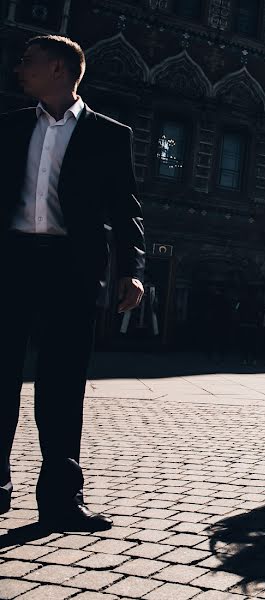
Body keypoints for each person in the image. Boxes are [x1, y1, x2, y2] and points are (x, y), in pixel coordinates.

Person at [0, 36, 146, 531]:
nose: (20, 68)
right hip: (11, 261)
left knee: (62, 386)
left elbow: (126, 209)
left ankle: (61, 501)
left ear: (59, 70)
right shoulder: (11, 126)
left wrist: (132, 269)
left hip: (71, 267)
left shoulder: (109, 134)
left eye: (29, 61)